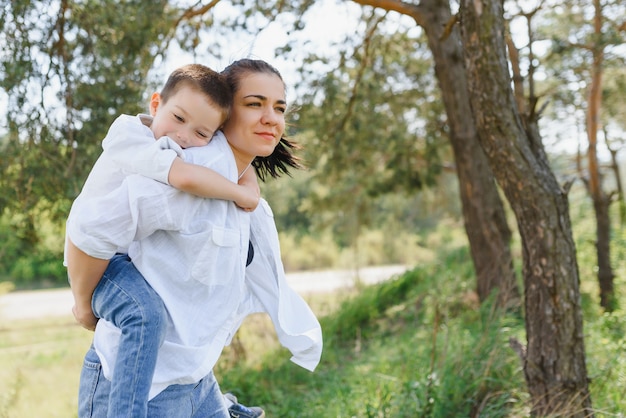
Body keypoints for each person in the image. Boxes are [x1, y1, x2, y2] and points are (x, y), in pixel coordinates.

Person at [66, 58, 322, 417]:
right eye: (254, 104)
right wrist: (83, 302)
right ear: (224, 115)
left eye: (279, 107)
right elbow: (90, 227)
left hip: (197, 382)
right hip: (140, 392)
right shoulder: (184, 175)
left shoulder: (237, 181)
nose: (272, 118)